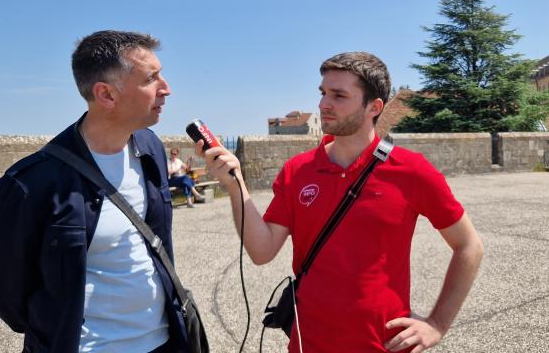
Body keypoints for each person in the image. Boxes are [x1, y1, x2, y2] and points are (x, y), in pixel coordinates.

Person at [198, 51, 484, 352]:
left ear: (373, 107)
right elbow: (262, 250)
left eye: (338, 95)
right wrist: (236, 187)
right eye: (323, 93)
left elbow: (469, 246)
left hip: (383, 345)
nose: (324, 104)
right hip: (309, 344)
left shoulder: (411, 170)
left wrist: (437, 323)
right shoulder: (298, 171)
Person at [0, 30, 189, 353]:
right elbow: (5, 292)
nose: (166, 88)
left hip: (163, 343)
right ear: (106, 95)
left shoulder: (150, 150)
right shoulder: (30, 184)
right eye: (152, 78)